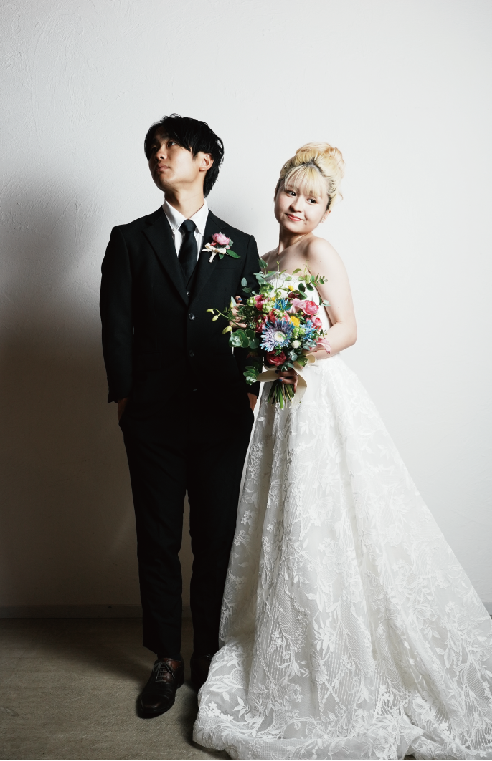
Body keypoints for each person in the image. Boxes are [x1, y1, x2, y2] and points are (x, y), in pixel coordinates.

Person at [193, 143, 492, 759]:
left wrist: (292, 353)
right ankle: (294, 632)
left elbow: (347, 328)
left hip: (317, 396)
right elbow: (252, 335)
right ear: (276, 193)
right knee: (285, 515)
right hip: (280, 399)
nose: (298, 206)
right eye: (291, 193)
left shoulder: (319, 252)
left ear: (327, 209)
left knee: (325, 510)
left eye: (312, 199)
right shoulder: (265, 257)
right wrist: (262, 364)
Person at [100, 114, 260, 718]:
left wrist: (249, 392)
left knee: (216, 541)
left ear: (204, 160)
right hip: (153, 421)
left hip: (222, 420)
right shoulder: (129, 239)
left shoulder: (239, 245)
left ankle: (209, 654)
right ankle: (166, 658)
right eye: (153, 148)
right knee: (158, 540)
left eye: (171, 146)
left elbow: (252, 327)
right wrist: (125, 399)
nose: (159, 155)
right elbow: (116, 324)